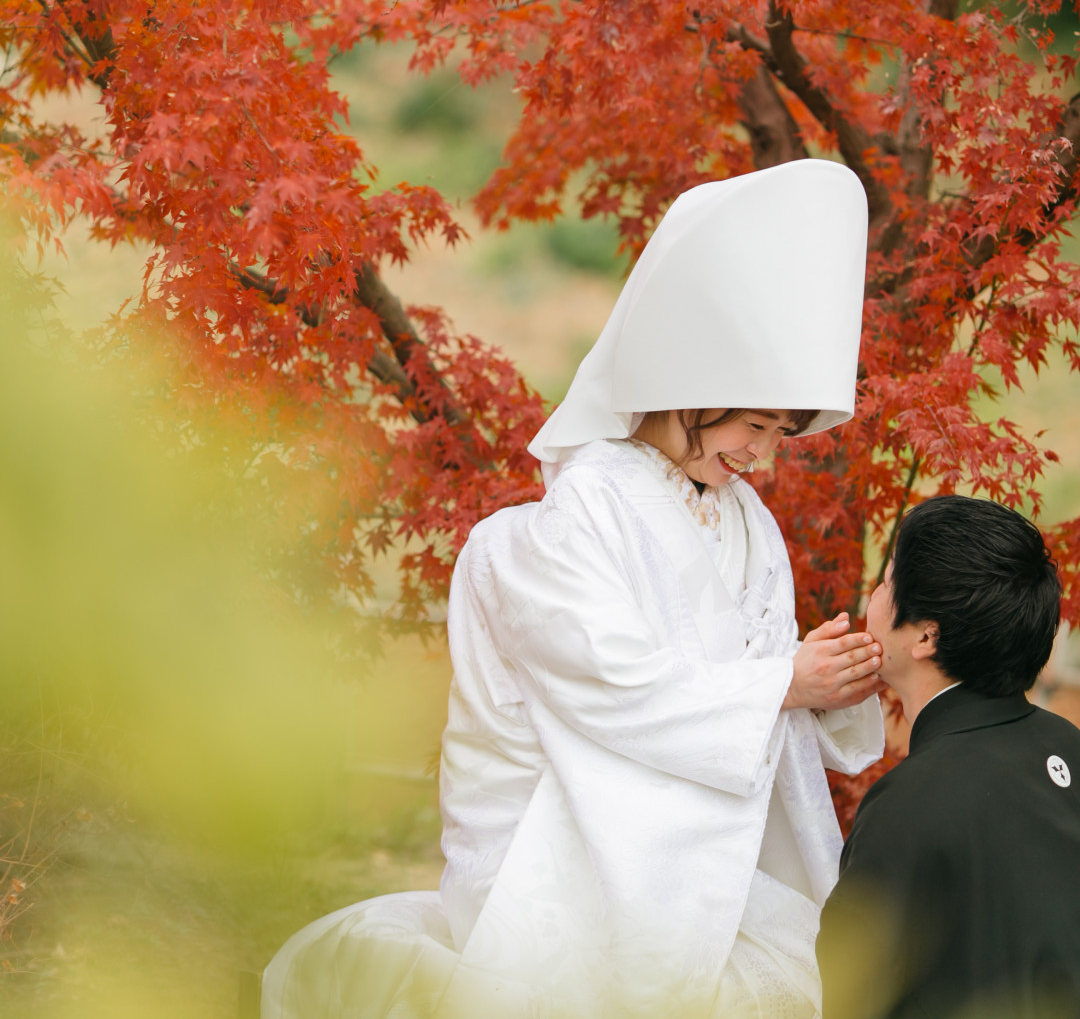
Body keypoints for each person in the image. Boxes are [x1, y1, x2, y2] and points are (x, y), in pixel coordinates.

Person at [263, 159, 886, 1019]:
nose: (763, 458)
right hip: (561, 848)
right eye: (755, 427)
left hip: (694, 847)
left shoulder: (751, 524)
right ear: (692, 393)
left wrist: (825, 678)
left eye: (781, 435)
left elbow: (762, 687)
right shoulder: (582, 510)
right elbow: (611, 686)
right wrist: (784, 682)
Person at [817, 495, 1080, 1019]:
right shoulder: (1066, 745)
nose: (877, 593)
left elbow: (850, 992)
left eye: (888, 581)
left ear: (926, 634)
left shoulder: (908, 805)